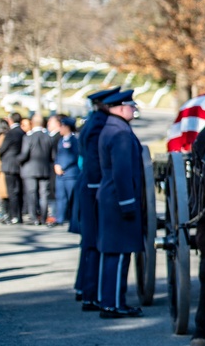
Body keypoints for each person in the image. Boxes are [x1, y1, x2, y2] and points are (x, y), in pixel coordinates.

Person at [96, 89, 144, 318]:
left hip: (111, 198)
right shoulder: (121, 133)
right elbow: (122, 173)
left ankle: (111, 301)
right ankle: (113, 304)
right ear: (121, 107)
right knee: (119, 253)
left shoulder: (113, 128)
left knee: (114, 252)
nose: (134, 109)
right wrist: (128, 203)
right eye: (131, 106)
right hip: (118, 199)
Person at [72, 86, 120, 309]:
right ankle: (92, 294)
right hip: (92, 187)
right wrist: (98, 188)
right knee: (94, 242)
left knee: (89, 242)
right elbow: (94, 160)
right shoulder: (99, 123)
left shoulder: (93, 120)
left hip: (88, 185)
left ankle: (84, 288)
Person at [19, 113, 55, 225]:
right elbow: (52, 156)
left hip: (30, 170)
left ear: (32, 123)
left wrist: (17, 160)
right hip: (44, 169)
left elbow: (24, 154)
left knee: (32, 194)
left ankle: (34, 217)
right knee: (43, 194)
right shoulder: (48, 137)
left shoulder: (28, 137)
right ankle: (43, 217)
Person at [52, 116, 81, 227]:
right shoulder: (61, 140)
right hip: (60, 175)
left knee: (72, 198)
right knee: (60, 197)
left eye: (62, 126)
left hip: (70, 174)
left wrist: (62, 166)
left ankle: (74, 219)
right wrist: (56, 165)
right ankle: (60, 218)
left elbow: (73, 156)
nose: (61, 129)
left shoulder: (74, 140)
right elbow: (58, 155)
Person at [0, 112, 25, 224]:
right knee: (18, 190)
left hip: (9, 164)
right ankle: (19, 215)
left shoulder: (11, 133)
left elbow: (2, 148)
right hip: (20, 164)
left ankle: (14, 215)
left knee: (12, 191)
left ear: (11, 120)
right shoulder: (23, 132)